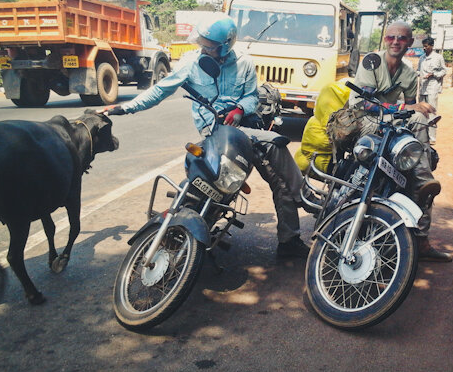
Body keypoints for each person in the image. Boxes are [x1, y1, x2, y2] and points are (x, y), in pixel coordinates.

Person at [100, 14, 310, 259]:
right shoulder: (191, 62)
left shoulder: (244, 62)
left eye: (208, 45)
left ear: (225, 45)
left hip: (241, 131)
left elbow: (252, 97)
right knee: (197, 176)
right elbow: (159, 90)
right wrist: (124, 108)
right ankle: (178, 229)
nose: (203, 48)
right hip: (212, 133)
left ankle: (291, 236)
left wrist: (240, 109)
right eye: (201, 42)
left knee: (279, 176)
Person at [349, 21, 452, 262]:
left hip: (393, 125)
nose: (396, 42)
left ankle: (422, 234)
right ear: (385, 40)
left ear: (410, 43)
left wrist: (412, 111)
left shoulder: (408, 73)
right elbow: (362, 103)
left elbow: (411, 108)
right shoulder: (371, 62)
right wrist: (403, 108)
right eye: (391, 37)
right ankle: (423, 178)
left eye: (402, 38)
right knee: (414, 120)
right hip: (366, 121)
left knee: (419, 123)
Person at [417, 37, 447, 145]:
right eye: (423, 46)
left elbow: (444, 70)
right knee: (422, 111)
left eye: (426, 46)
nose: (424, 48)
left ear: (432, 46)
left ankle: (432, 137)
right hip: (422, 88)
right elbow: (418, 71)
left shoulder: (438, 57)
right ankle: (422, 135)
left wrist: (434, 74)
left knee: (432, 111)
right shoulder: (421, 58)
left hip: (432, 87)